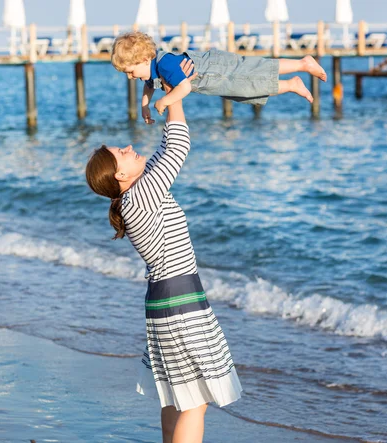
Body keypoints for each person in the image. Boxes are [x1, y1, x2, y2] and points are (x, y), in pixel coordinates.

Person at [85, 61, 242, 443]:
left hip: (167, 301)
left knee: (177, 397)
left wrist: (167, 79)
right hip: (179, 301)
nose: (126, 146)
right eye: (120, 152)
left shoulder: (135, 196)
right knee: (195, 401)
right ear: (120, 175)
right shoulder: (141, 193)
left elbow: (165, 150)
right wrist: (175, 88)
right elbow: (178, 143)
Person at [111, 31, 327, 124]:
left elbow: (184, 87)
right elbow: (149, 86)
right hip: (214, 82)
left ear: (144, 59)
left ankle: (303, 63)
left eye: (130, 71)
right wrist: (144, 106)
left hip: (216, 69)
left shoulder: (165, 63)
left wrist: (165, 101)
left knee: (256, 71)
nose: (130, 77)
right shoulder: (152, 71)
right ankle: (291, 84)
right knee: (248, 92)